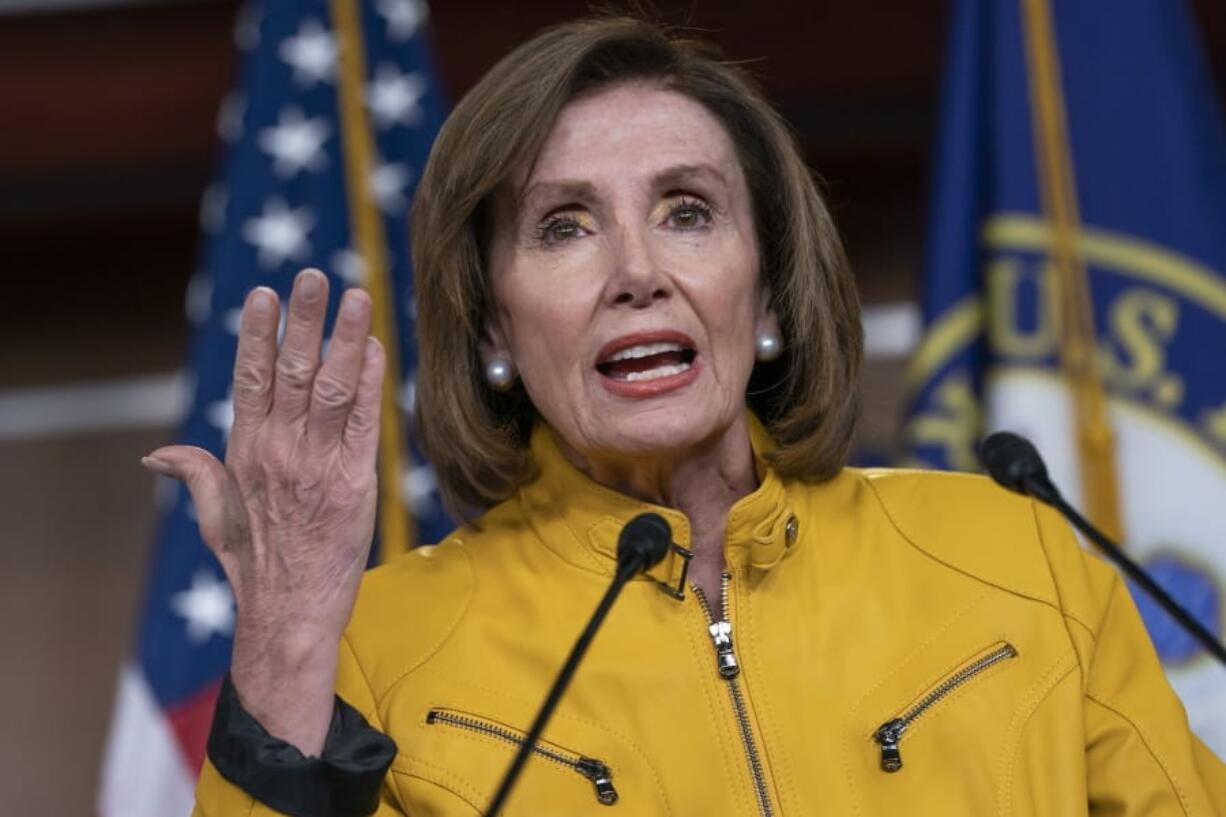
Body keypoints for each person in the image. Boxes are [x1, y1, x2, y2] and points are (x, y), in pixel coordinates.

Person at [144, 15, 1225, 817]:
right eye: (562, 226)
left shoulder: (1019, 555)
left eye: (686, 211)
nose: (636, 272)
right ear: (490, 330)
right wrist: (287, 647)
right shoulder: (373, 650)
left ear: (764, 293)